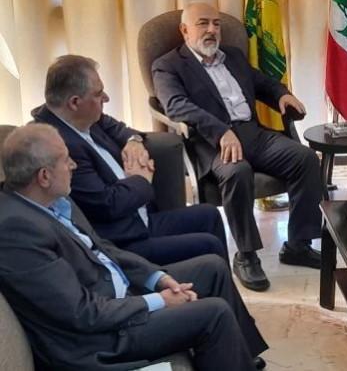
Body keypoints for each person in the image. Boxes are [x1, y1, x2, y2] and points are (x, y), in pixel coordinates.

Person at [0, 123, 268, 370]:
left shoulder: (54, 199)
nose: (73, 165)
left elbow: (103, 249)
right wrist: (159, 301)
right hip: (102, 338)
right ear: (44, 176)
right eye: (65, 159)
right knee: (214, 314)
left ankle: (241, 356)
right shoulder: (17, 232)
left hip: (116, 295)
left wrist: (157, 278)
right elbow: (81, 313)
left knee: (212, 268)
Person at [152, 2, 322, 291]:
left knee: (305, 158)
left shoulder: (232, 56)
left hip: (253, 133)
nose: (211, 30)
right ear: (184, 30)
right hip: (212, 142)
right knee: (237, 172)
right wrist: (221, 131)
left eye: (216, 24)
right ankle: (246, 256)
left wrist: (281, 95)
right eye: (203, 23)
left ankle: (298, 245)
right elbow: (176, 105)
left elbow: (262, 83)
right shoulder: (168, 65)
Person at [33, 55, 229, 266]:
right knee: (209, 245)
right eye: (98, 94)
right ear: (74, 102)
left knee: (210, 215)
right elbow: (107, 205)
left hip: (140, 219)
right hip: (123, 241)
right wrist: (141, 179)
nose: (106, 98)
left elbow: (118, 128)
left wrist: (134, 141)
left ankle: (221, 286)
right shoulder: (60, 146)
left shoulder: (80, 116)